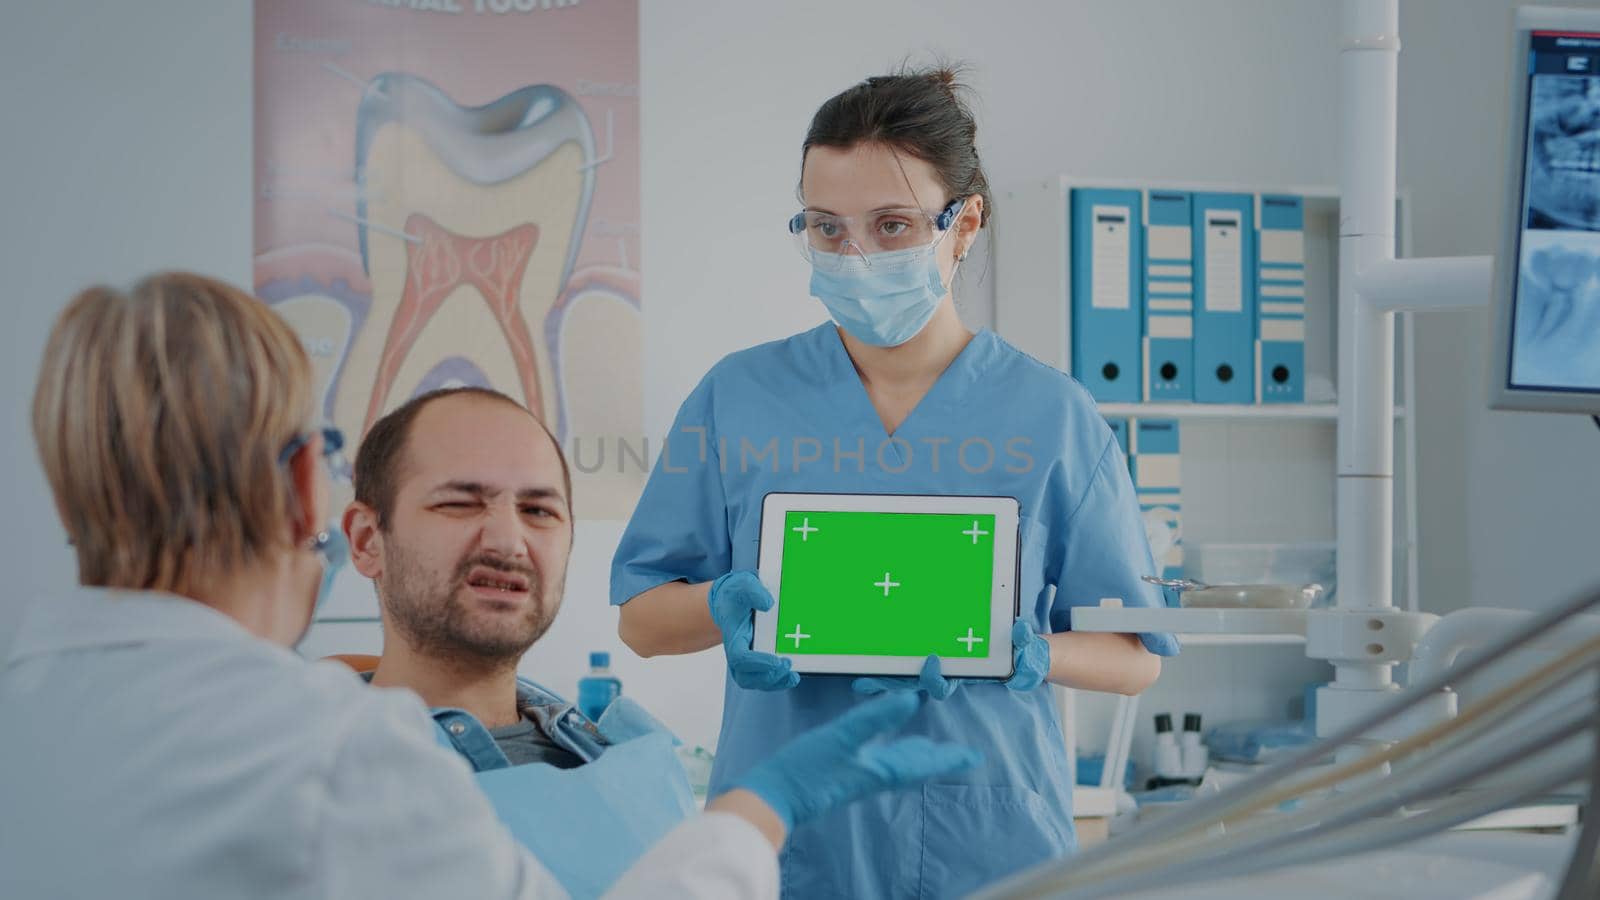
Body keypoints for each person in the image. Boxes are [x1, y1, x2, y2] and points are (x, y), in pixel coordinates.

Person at [0, 271, 979, 900]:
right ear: (332, 507)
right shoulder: (338, 752)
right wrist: (763, 807)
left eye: (543, 510)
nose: (507, 537)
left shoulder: (624, 740)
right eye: (460, 500)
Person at [611, 66, 1179, 898]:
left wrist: (1029, 653)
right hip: (790, 841)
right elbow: (641, 621)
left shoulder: (1053, 415)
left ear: (965, 224)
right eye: (827, 228)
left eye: (893, 225)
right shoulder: (737, 399)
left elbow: (1139, 657)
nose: (858, 255)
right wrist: (721, 605)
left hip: (989, 837)